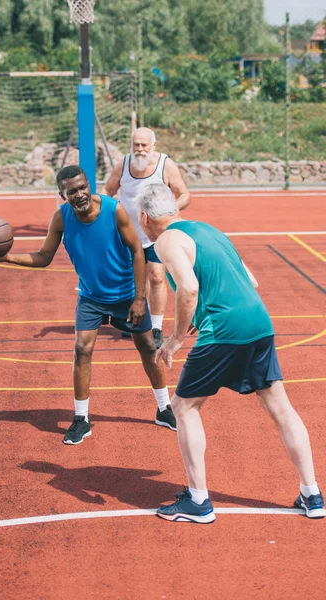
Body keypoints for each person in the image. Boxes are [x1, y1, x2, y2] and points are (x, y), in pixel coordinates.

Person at [137, 182, 324, 523]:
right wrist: (200, 311)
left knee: (183, 406)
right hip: (258, 322)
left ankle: (198, 501)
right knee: (281, 408)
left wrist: (177, 337)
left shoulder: (165, 240)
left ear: (145, 216)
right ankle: (312, 495)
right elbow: (250, 280)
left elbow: (189, 288)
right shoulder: (209, 230)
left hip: (225, 330)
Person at [0, 166, 176, 444]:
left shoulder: (113, 210)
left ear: (88, 185)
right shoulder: (61, 218)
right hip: (91, 297)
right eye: (72, 191)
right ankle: (81, 419)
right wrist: (5, 258)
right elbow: (44, 257)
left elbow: (137, 251)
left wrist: (140, 299)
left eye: (83, 187)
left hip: (126, 295)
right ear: (62, 195)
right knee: (82, 350)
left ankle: (164, 408)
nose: (80, 194)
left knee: (148, 348)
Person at [102, 127, 190, 349]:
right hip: (130, 233)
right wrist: (103, 209)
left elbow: (185, 195)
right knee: (135, 278)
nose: (140, 150)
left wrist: (166, 210)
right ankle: (138, 318)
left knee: (157, 276)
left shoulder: (165, 165)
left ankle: (157, 327)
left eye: (144, 145)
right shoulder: (123, 164)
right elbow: (107, 189)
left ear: (154, 146)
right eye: (136, 145)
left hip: (156, 233)